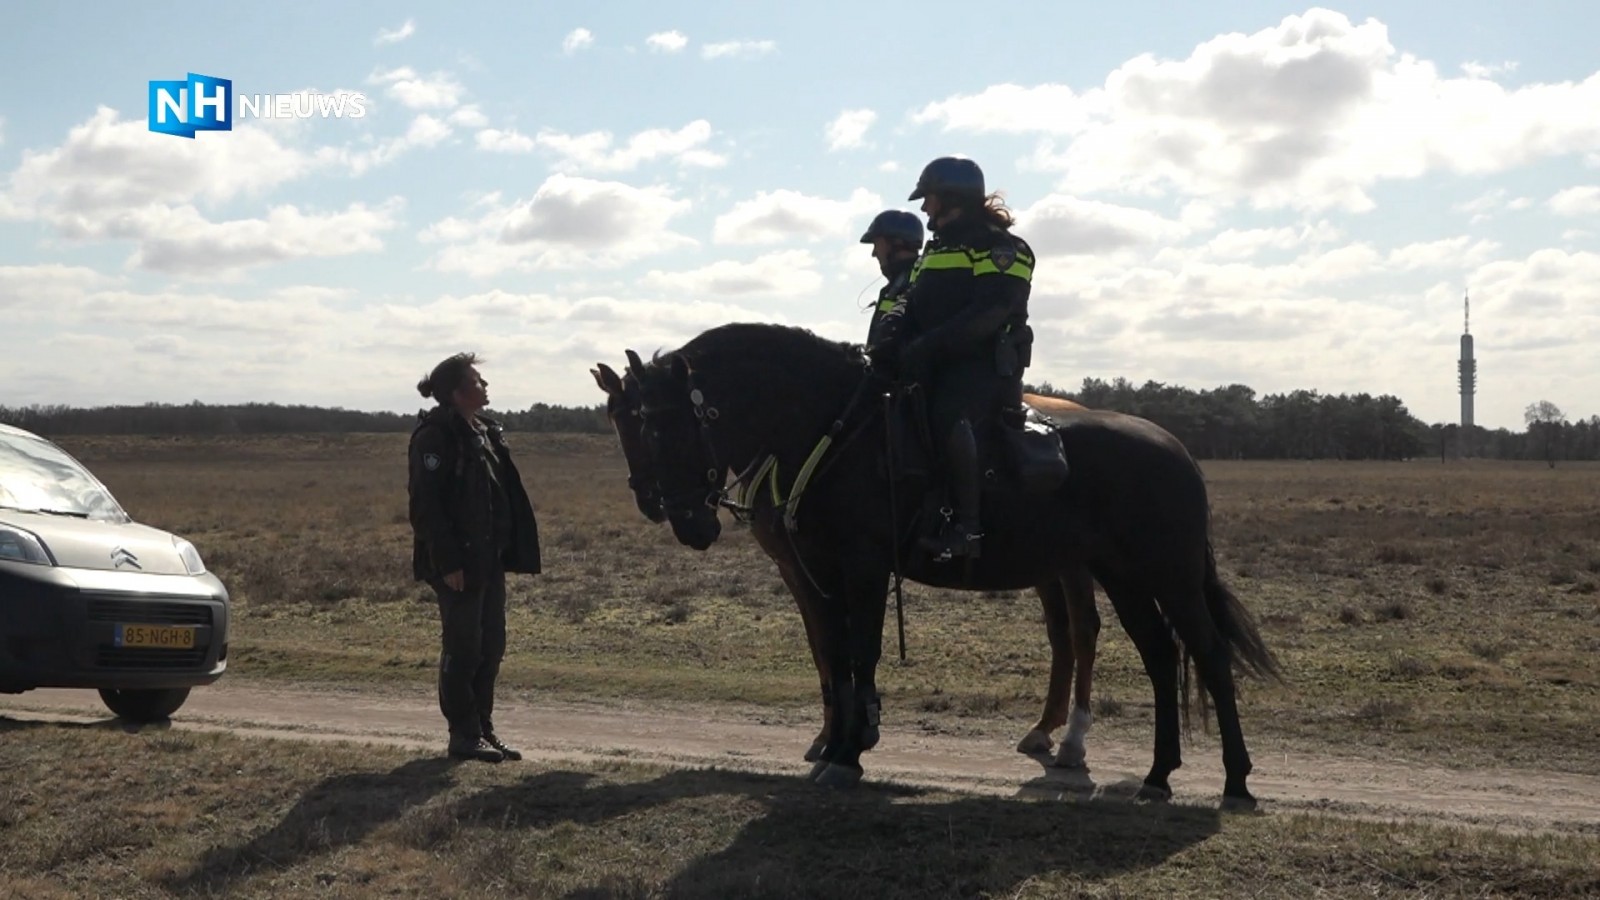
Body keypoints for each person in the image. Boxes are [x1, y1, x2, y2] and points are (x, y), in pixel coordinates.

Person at [895, 156, 1036, 561]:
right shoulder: (939, 249)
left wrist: (926, 346)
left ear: (950, 198)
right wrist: (894, 334)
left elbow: (988, 315)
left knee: (949, 416)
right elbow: (914, 301)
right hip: (934, 364)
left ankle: (966, 528)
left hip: (985, 369)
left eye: (929, 199)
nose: (924, 209)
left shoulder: (1002, 247)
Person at [409, 352, 542, 763]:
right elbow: (426, 507)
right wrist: (448, 563)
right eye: (477, 380)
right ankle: (462, 735)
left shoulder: (484, 431)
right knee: (463, 647)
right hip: (458, 566)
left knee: (491, 646)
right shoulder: (435, 436)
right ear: (456, 391)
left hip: (488, 561)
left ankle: (483, 728)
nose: (485, 386)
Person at [858, 209, 924, 360]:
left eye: (877, 244)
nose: (874, 253)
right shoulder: (891, 289)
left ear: (896, 244)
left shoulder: (918, 282)